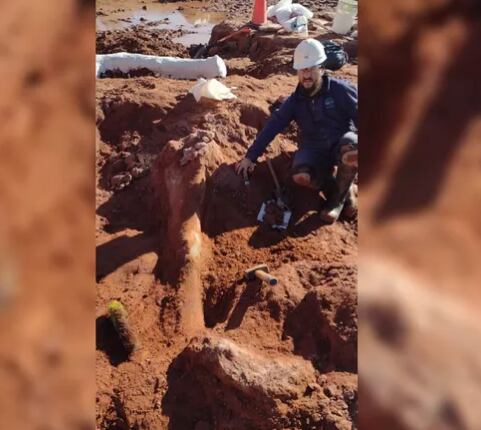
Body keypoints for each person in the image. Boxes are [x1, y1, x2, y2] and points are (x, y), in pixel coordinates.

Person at [235, 38, 358, 223]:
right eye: (302, 69)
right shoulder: (294, 101)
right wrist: (250, 156)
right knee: (301, 177)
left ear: (321, 67)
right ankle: (343, 189)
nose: (306, 75)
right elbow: (273, 126)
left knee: (353, 149)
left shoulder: (340, 90)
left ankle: (336, 202)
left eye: (311, 68)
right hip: (313, 148)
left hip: (339, 143)